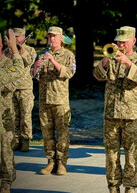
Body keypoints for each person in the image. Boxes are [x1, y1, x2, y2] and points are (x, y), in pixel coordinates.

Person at [93, 26, 137, 193]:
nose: (121, 44)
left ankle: (130, 187)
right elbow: (97, 75)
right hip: (111, 114)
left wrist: (128, 63)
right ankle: (113, 186)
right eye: (118, 41)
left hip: (131, 115)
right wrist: (104, 59)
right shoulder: (110, 58)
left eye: (124, 41)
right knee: (111, 155)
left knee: (131, 155)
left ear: (133, 41)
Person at [32, 26, 76, 175]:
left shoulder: (68, 55)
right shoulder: (41, 54)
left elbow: (69, 72)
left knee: (63, 133)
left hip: (60, 100)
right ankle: (50, 161)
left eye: (54, 36)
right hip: (44, 100)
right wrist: (35, 68)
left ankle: (62, 163)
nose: (51, 39)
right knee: (47, 133)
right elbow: (34, 75)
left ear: (61, 38)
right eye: (49, 36)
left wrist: (53, 61)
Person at [0, 29, 25, 193]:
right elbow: (18, 69)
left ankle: (6, 182)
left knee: (5, 149)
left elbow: (13, 83)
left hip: (4, 112)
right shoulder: (11, 62)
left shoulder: (6, 62)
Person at [11, 28, 36, 152]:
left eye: (17, 36)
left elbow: (30, 62)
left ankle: (25, 140)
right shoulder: (9, 50)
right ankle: (16, 140)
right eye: (14, 36)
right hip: (12, 87)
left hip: (25, 87)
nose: (15, 39)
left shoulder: (30, 50)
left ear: (23, 36)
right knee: (13, 115)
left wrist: (21, 51)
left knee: (25, 114)